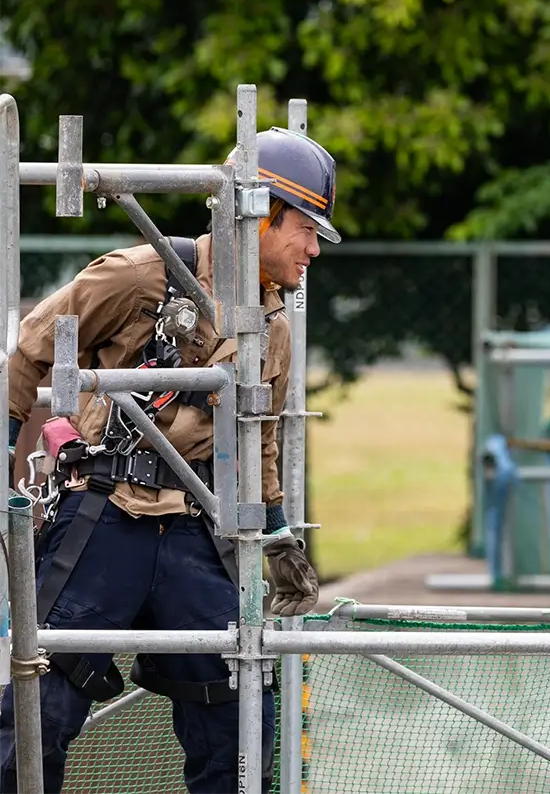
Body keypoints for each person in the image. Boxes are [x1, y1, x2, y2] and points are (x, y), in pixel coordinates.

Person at [0, 127, 340, 794]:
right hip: (106, 514)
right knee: (38, 704)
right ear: (259, 211)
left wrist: (275, 536)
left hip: (195, 526)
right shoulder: (136, 276)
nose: (312, 250)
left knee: (239, 716)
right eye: (305, 229)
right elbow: (29, 353)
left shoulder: (272, 328)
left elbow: (261, 438)